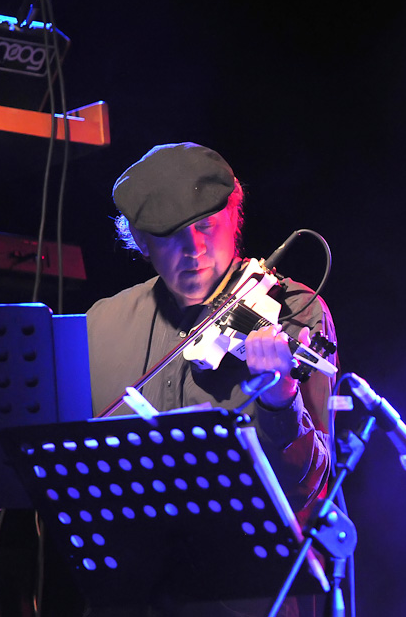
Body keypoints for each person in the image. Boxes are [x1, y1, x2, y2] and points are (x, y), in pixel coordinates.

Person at [84, 142, 336, 616]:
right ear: (141, 241)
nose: (194, 251)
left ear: (233, 219)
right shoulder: (101, 324)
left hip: (251, 597)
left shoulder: (292, 311)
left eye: (206, 227)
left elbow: (308, 484)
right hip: (133, 596)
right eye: (171, 236)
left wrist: (281, 399)